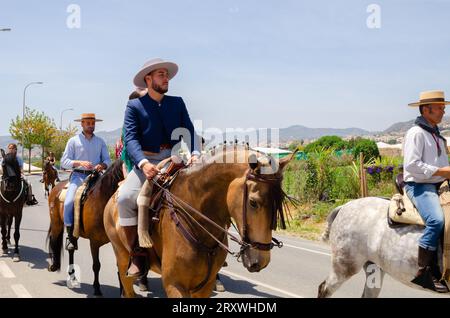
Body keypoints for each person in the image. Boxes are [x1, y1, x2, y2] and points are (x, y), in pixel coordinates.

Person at [118, 58, 201, 278]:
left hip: (174, 161)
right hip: (147, 162)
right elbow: (131, 140)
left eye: (166, 74)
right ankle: (137, 254)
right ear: (148, 79)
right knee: (125, 198)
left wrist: (195, 154)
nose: (166, 78)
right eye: (161, 74)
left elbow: (190, 132)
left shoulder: (177, 103)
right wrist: (143, 164)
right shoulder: (134, 106)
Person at [404, 90, 450, 292]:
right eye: (440, 108)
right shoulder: (416, 133)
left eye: (443, 107)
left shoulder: (437, 134)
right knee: (437, 221)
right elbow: (412, 166)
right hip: (420, 185)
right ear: (426, 110)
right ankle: (424, 271)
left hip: (439, 183)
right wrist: (443, 171)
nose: (443, 111)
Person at [60, 113, 111, 251]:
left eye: (92, 123)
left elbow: (107, 160)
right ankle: (70, 236)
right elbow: (64, 162)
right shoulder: (73, 141)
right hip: (78, 176)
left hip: (97, 177)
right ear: (82, 124)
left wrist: (102, 165)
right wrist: (79, 162)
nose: (91, 125)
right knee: (69, 201)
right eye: (87, 123)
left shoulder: (100, 141)